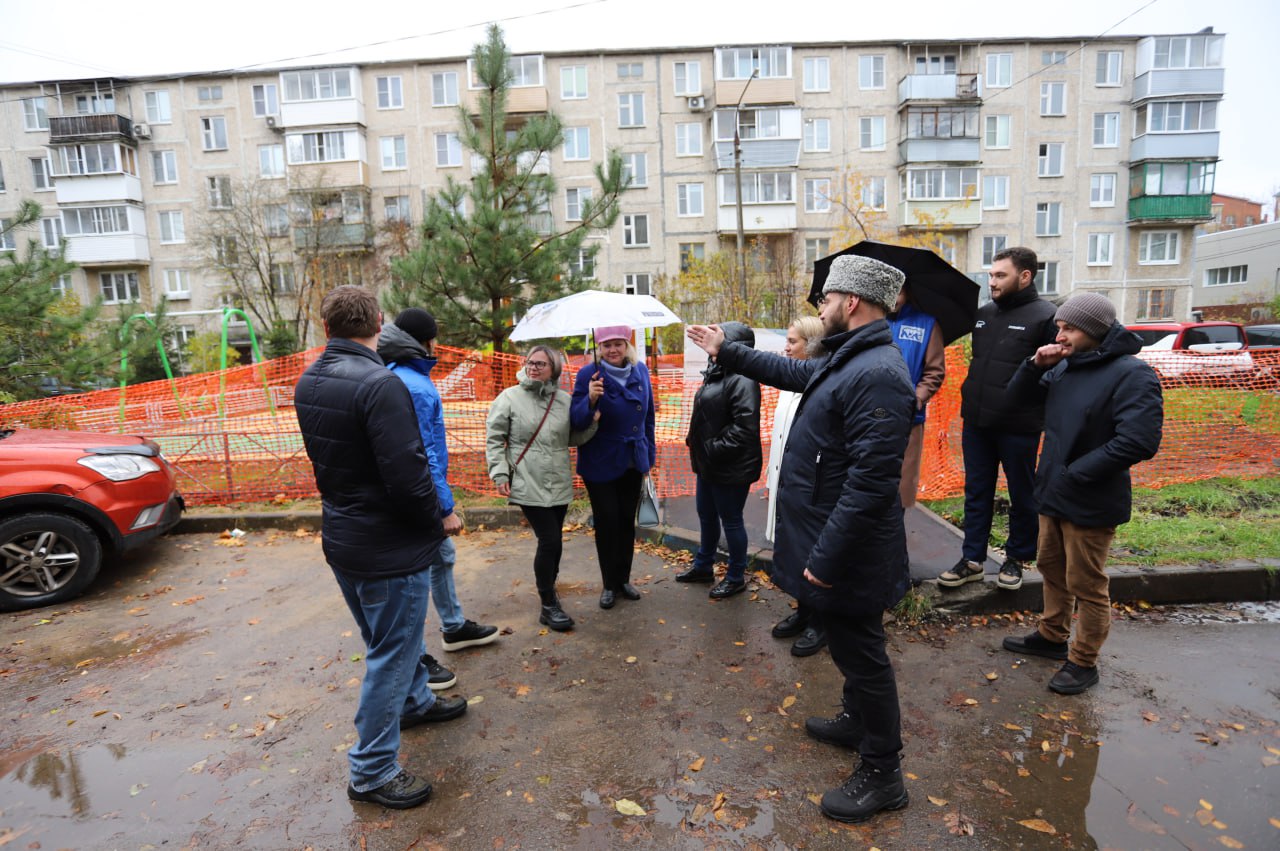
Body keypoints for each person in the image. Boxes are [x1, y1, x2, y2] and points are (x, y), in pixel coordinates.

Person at [687, 254, 916, 825]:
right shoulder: (849, 359)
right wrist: (727, 350)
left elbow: (870, 483)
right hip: (830, 542)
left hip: (848, 553)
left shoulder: (879, 373)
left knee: (863, 654)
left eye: (827, 299)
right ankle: (855, 720)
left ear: (852, 303)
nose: (822, 307)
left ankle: (883, 772)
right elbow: (792, 373)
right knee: (847, 645)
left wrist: (826, 559)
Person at [294, 286, 467, 811]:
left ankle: (415, 702)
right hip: (388, 547)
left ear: (326, 326)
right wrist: (435, 523)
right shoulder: (379, 383)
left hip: (345, 537)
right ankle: (370, 771)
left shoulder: (310, 379)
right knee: (389, 655)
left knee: (388, 643)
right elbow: (408, 476)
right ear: (378, 320)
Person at [1002, 293, 1163, 694]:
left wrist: (1076, 474)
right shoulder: (1064, 366)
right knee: (1052, 569)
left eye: (1068, 328)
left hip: (1091, 498)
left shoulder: (1132, 375)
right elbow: (1014, 403)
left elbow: (1139, 441)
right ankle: (1053, 635)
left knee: (1087, 584)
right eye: (1059, 326)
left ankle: (1083, 660)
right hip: (1054, 491)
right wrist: (1033, 365)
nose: (1060, 334)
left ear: (1094, 331)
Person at [377, 308, 499, 688]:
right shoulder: (413, 385)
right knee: (411, 579)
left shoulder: (406, 375)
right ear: (426, 340)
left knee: (440, 556)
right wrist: (444, 508)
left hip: (415, 491)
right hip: (418, 495)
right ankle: (416, 661)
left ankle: (453, 627)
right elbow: (422, 451)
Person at [938, 246, 1058, 592]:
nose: (992, 281)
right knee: (977, 491)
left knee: (1023, 494)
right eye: (991, 275)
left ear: (1025, 276)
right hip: (977, 422)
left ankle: (1016, 558)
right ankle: (972, 559)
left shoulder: (1045, 316)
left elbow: (1053, 373)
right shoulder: (984, 314)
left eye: (1000, 275)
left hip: (1019, 425)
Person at [486, 346, 599, 631]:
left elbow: (571, 437)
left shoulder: (563, 400)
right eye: (530, 362)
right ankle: (548, 604)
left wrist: (592, 423)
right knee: (549, 540)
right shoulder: (509, 398)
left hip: (558, 480)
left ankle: (549, 590)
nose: (534, 367)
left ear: (554, 369)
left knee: (554, 541)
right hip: (527, 479)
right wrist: (500, 473)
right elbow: (494, 438)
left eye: (541, 364)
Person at [569, 326, 656, 610]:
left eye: (618, 344)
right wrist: (590, 398)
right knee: (607, 522)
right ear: (599, 347)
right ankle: (608, 584)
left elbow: (649, 418)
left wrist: (649, 457)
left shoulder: (640, 371)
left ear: (627, 345)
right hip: (601, 460)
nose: (612, 350)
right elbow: (577, 421)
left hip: (633, 458)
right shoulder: (588, 375)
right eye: (606, 345)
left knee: (626, 522)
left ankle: (624, 579)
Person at [675, 321, 762, 599]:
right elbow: (708, 415)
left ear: (733, 346)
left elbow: (744, 428)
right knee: (707, 515)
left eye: (717, 339)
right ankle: (703, 566)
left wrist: (711, 448)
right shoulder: (716, 372)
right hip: (709, 464)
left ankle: (736, 576)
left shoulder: (743, 378)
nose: (710, 344)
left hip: (730, 466)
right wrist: (695, 440)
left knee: (731, 521)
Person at [764, 316, 830, 657]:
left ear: (813, 345)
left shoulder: (822, 384)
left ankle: (821, 623)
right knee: (793, 551)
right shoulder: (789, 383)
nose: (786, 348)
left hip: (811, 489)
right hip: (786, 484)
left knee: (812, 554)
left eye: (793, 342)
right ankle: (803, 611)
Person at [888, 283, 946, 509]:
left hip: (907, 418)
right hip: (868, 413)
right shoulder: (868, 320)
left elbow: (935, 371)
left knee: (900, 489)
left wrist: (917, 398)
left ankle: (894, 538)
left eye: (899, 292)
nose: (893, 298)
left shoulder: (927, 324)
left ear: (908, 293)